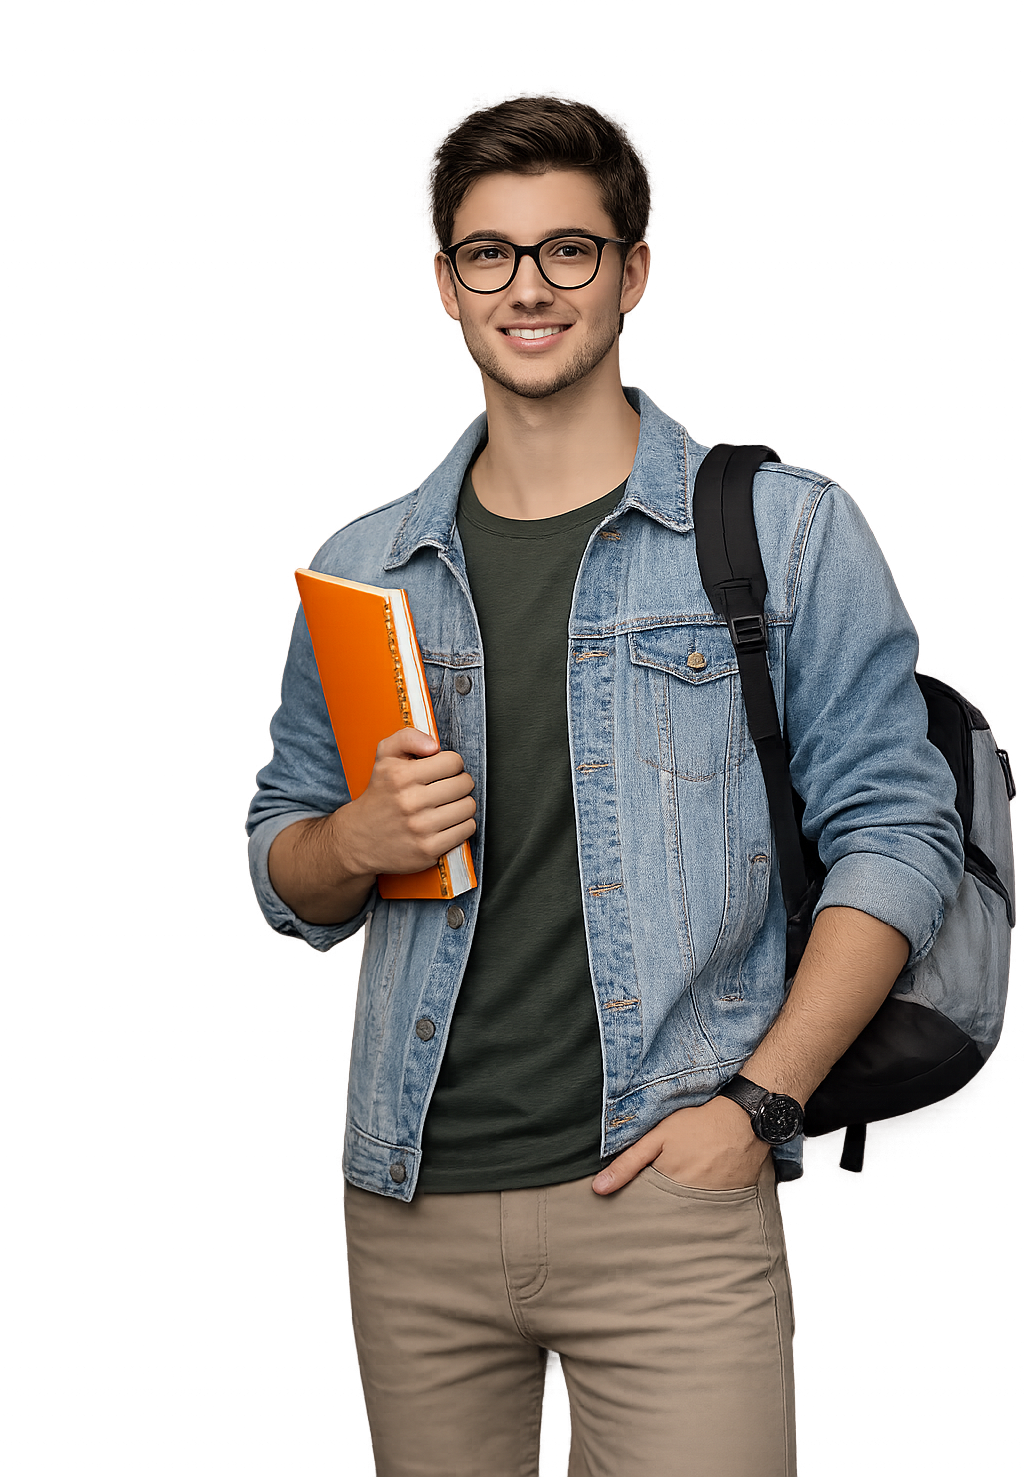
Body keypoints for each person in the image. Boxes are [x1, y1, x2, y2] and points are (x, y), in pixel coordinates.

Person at [247, 98, 963, 1477]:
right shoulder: (365, 565)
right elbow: (282, 856)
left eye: (569, 249)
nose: (528, 286)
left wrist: (757, 1110)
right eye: (489, 254)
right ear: (443, 286)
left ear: (634, 271)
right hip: (412, 1215)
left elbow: (897, 832)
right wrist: (352, 837)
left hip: (669, 1206)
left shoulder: (783, 531)